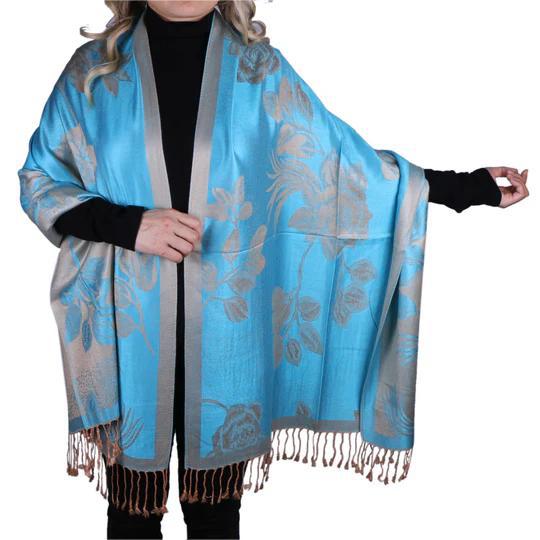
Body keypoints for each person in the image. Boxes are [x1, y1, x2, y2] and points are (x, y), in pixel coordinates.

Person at [20, 1, 529, 539]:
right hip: (125, 326)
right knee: (132, 515)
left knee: (215, 516)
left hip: (228, 338)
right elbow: (40, 180)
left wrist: (467, 188)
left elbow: (342, 168)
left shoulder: (260, 71)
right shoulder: (92, 72)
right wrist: (130, 226)